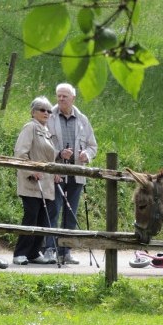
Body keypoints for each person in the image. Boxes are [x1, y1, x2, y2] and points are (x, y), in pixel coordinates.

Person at [44, 82, 98, 266]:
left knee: (71, 213)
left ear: (73, 98)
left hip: (77, 174)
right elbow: (42, 146)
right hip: (57, 172)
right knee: (54, 210)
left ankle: (65, 251)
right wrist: (58, 155)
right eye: (58, 95)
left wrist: (86, 155)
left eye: (64, 96)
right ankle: (49, 250)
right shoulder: (49, 117)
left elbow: (93, 146)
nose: (60, 99)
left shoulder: (82, 119)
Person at [12, 96, 58, 265]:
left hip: (47, 184)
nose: (46, 113)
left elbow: (48, 157)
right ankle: (20, 253)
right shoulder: (30, 127)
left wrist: (56, 173)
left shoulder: (46, 131)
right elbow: (20, 153)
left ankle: (33, 253)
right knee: (30, 217)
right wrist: (31, 172)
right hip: (32, 182)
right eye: (42, 109)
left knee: (43, 219)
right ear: (33, 112)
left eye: (49, 111)